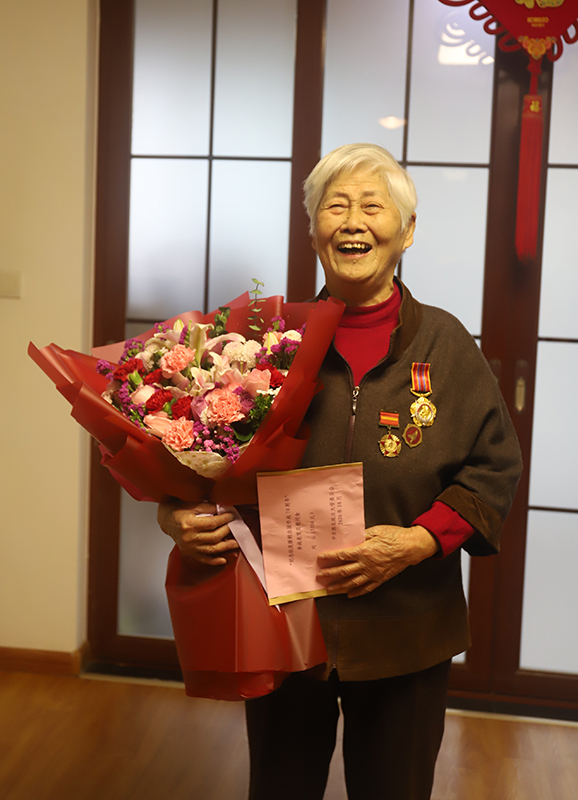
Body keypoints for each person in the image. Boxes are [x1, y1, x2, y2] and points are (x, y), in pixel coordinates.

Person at [158, 143, 522, 800]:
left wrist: (418, 541)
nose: (353, 222)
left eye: (373, 207)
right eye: (336, 206)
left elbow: (493, 466)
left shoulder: (446, 344)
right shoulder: (265, 345)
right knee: (280, 787)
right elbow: (194, 460)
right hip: (284, 624)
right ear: (313, 230)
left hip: (407, 628)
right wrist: (176, 515)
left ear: (407, 230)